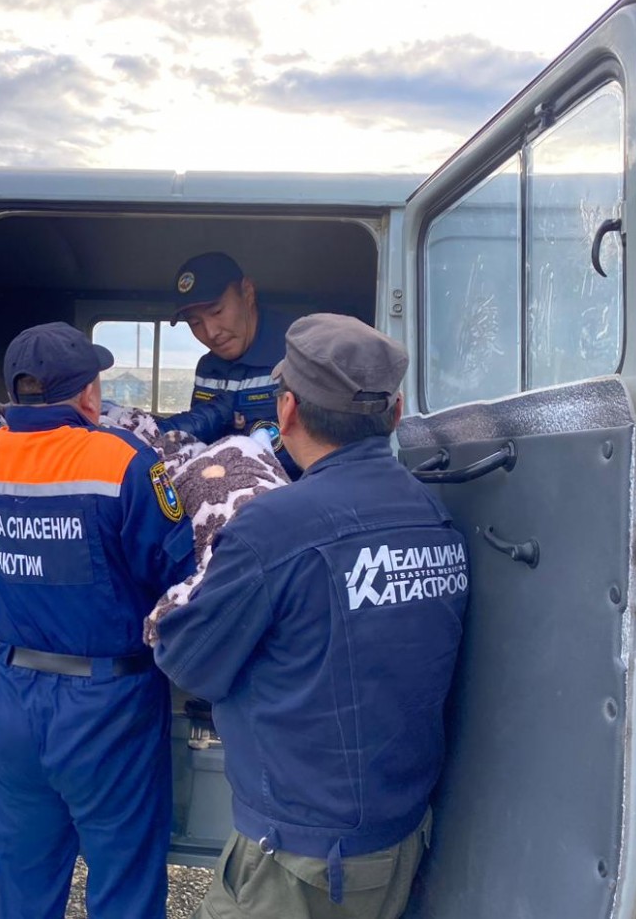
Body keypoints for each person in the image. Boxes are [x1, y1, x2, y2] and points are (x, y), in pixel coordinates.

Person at [155, 313, 469, 919]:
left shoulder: (273, 527)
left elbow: (188, 661)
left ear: (288, 412)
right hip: (398, 835)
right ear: (395, 414)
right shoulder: (433, 515)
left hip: (298, 861)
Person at [0, 321, 197, 919]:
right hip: (107, 703)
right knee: (123, 888)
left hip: (14, 695)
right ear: (90, 394)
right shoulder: (121, 460)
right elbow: (175, 573)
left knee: (22, 889)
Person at [161, 251, 300, 478]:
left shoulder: (298, 350)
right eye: (195, 323)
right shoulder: (207, 368)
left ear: (247, 292)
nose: (211, 332)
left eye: (217, 311)